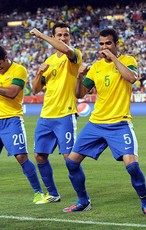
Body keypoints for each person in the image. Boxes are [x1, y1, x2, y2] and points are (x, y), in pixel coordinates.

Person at [62, 28, 146, 216]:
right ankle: (83, 201)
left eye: (108, 43)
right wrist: (79, 77)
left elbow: (131, 78)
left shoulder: (128, 61)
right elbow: (79, 94)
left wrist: (113, 58)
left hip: (119, 123)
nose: (104, 47)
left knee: (132, 166)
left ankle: (145, 204)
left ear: (116, 44)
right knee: (72, 163)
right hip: (96, 123)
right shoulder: (96, 67)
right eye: (102, 44)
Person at [29, 22, 82, 204]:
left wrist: (42, 36)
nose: (62, 38)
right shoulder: (49, 61)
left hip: (65, 115)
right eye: (59, 35)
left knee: (70, 159)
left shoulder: (73, 55)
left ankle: (83, 198)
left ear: (69, 37)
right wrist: (38, 73)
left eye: (65, 35)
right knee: (39, 155)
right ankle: (52, 193)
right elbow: (35, 89)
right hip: (46, 115)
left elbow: (65, 50)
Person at [0, 45, 44, 203]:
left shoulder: (19, 70)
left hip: (11, 119)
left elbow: (12, 93)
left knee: (21, 156)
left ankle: (38, 192)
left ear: (6, 59)